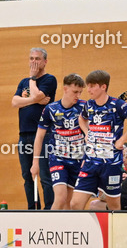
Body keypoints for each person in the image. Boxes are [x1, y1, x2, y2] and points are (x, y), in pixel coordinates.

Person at [69, 70, 127, 211]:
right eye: (88, 86)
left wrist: (122, 140)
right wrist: (87, 133)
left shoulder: (117, 105)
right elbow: (81, 118)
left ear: (103, 87)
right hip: (90, 163)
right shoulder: (89, 105)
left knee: (114, 206)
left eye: (92, 86)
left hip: (111, 164)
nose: (89, 89)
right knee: (75, 204)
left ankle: (114, 232)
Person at [31, 73, 87, 210]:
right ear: (65, 89)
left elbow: (89, 134)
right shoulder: (51, 109)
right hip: (58, 158)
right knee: (60, 198)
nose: (78, 95)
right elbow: (39, 137)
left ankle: (69, 230)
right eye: (75, 92)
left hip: (78, 159)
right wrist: (35, 162)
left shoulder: (84, 107)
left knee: (71, 203)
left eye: (80, 92)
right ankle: (49, 228)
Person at [13, 48, 58, 209]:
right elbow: (14, 102)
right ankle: (32, 208)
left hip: (44, 135)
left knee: (45, 174)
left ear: (45, 61)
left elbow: (39, 95)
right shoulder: (22, 82)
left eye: (37, 59)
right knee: (27, 174)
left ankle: (49, 209)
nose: (33, 62)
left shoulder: (49, 79)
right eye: (31, 58)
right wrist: (34, 99)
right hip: (24, 135)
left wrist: (32, 79)